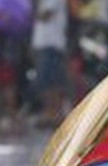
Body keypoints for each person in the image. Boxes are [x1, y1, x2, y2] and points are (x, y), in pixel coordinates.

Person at [32, 0, 69, 128]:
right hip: (45, 45)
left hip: (52, 45)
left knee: (51, 81)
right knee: (46, 81)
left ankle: (54, 113)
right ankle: (50, 112)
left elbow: (44, 15)